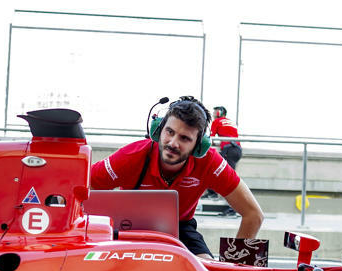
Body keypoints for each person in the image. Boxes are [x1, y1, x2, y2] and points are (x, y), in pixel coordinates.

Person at [90, 96, 264, 259]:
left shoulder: (210, 161)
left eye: (184, 138)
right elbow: (79, 187)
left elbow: (253, 214)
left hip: (182, 228)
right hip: (129, 227)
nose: (173, 143)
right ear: (158, 130)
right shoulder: (131, 156)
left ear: (199, 146)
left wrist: (236, 266)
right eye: (170, 132)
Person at [203, 106, 243, 208]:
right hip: (237, 150)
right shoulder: (231, 122)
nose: (213, 114)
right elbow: (229, 136)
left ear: (219, 113)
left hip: (229, 150)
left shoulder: (217, 121)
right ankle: (213, 193)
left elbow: (210, 138)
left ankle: (232, 209)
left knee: (212, 170)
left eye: (215, 112)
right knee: (218, 172)